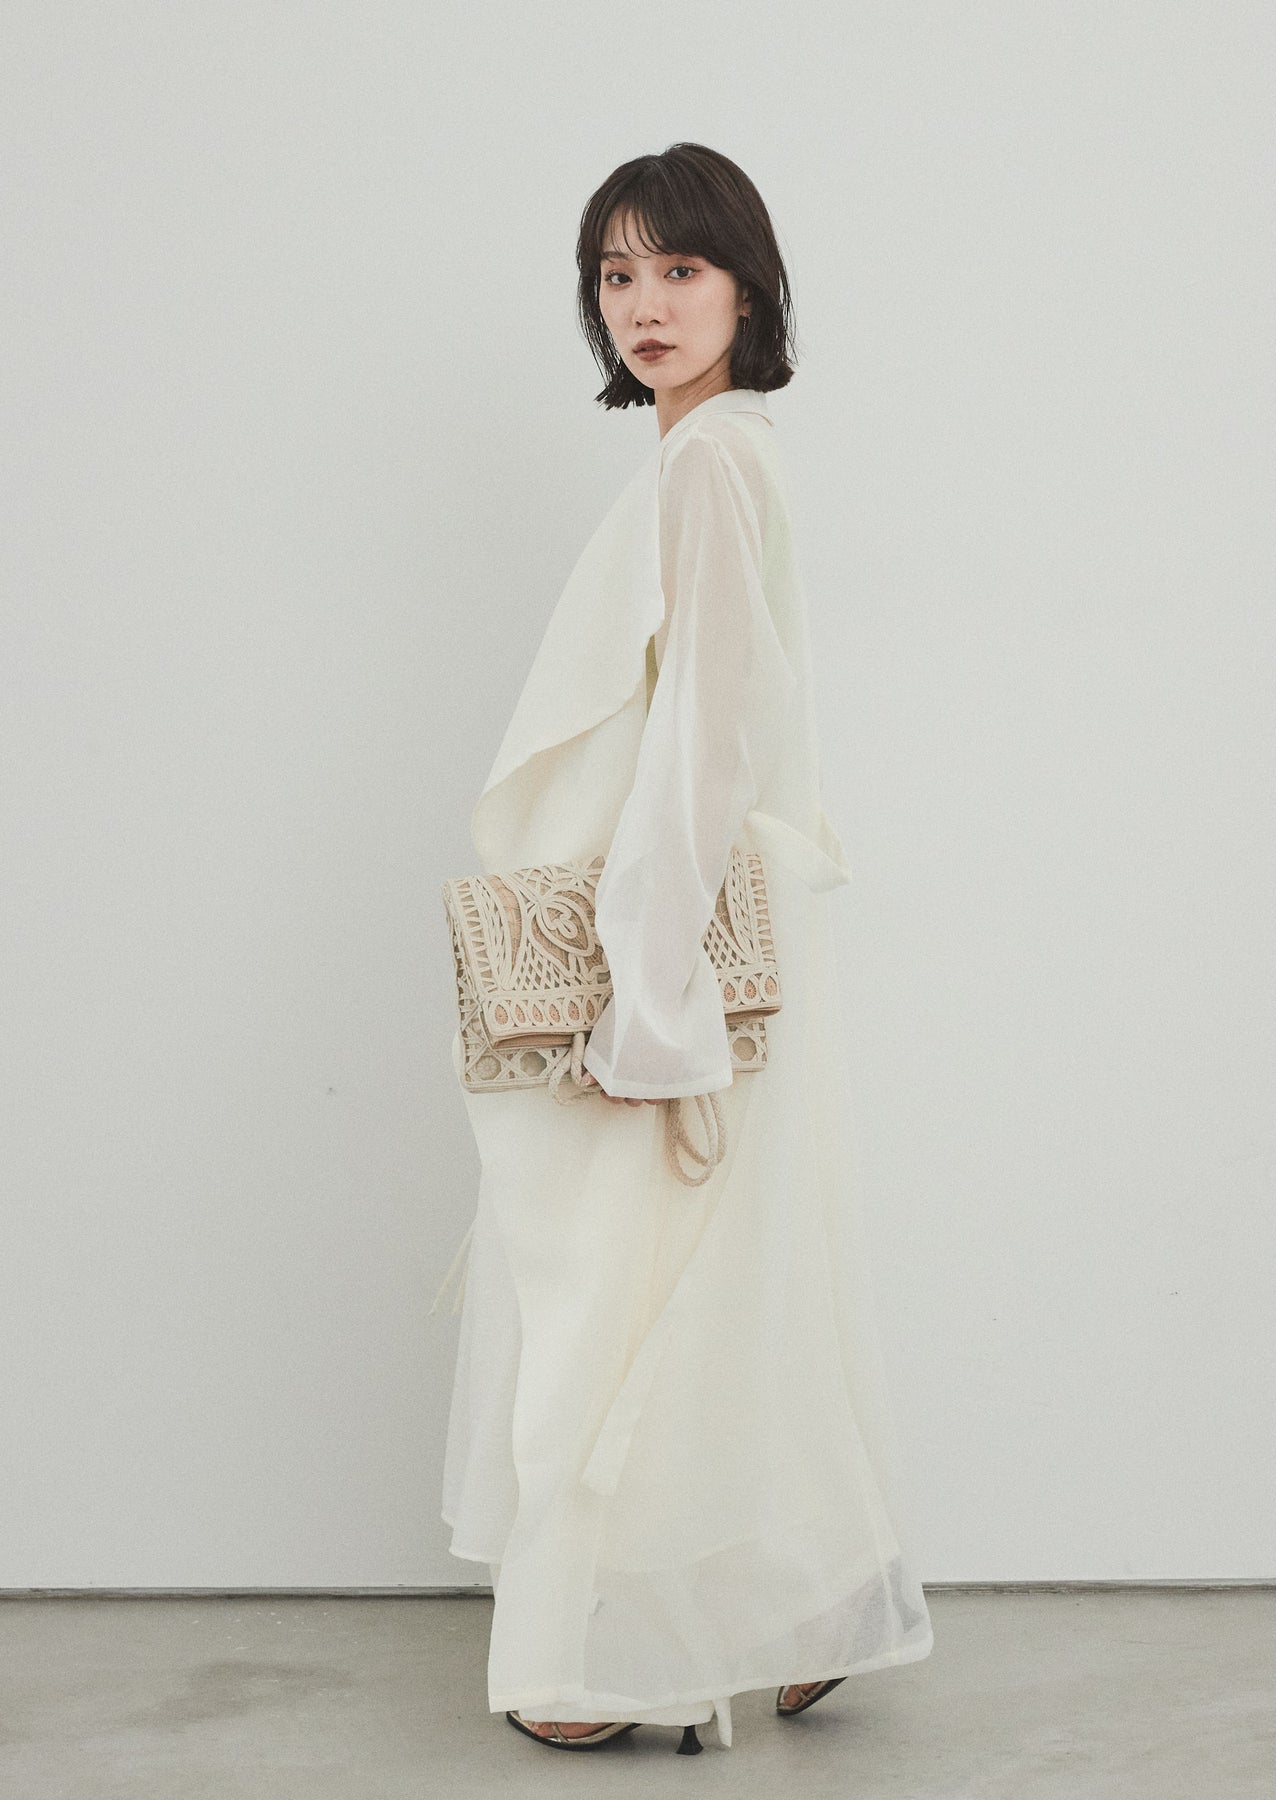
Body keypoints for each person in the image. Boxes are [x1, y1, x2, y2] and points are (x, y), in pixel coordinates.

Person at [438, 142, 934, 1756]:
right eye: (616, 273)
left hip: (671, 944)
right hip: (698, 928)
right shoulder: (710, 455)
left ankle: (623, 1657)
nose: (643, 304)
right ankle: (814, 1600)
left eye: (680, 269)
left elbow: (706, 739)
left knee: (620, 1289)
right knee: (715, 1276)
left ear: (748, 288)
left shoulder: (709, 464)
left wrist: (651, 1000)